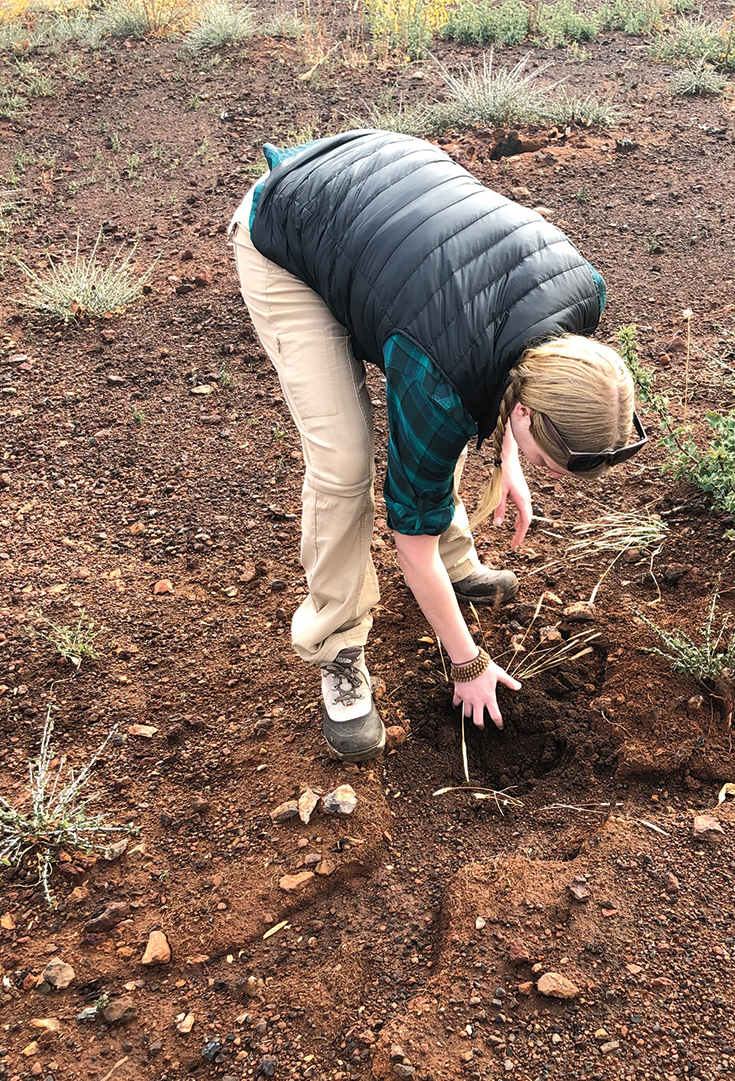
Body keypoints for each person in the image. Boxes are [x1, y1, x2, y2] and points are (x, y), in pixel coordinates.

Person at [230, 129, 646, 761]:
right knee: (345, 462)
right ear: (529, 412)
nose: (541, 475)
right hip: (293, 227)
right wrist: (466, 662)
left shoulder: (579, 301)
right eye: (543, 460)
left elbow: (504, 384)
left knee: (445, 416)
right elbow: (408, 543)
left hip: (388, 197)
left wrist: (514, 460)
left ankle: (460, 560)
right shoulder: (441, 374)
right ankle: (336, 646)